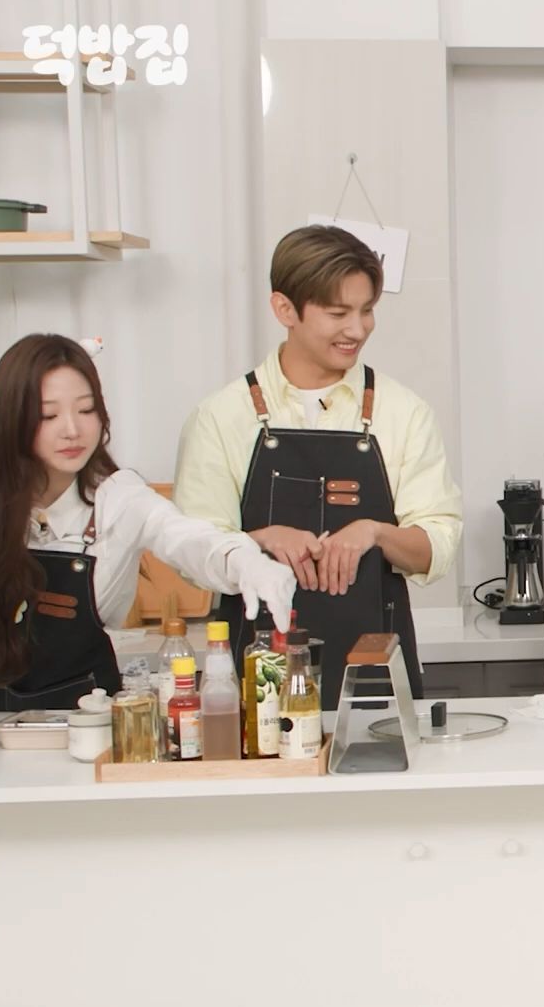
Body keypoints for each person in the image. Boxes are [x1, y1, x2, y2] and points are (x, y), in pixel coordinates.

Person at [174, 225, 463, 704]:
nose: (358, 329)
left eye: (367, 310)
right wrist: (258, 541)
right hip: (263, 669)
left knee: (374, 749)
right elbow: (191, 556)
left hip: (375, 666)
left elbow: (438, 547)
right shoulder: (221, 417)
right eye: (338, 313)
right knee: (273, 739)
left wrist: (374, 532)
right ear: (284, 309)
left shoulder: (403, 412)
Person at [0, 334, 294, 711]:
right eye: (48, 415)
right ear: (11, 419)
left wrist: (245, 561)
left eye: (86, 409)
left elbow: (185, 537)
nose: (72, 429)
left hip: (89, 719)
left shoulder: (117, 497)